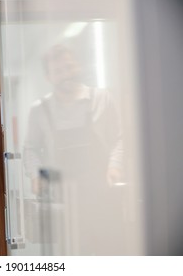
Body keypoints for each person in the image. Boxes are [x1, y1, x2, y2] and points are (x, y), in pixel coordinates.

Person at [23, 44, 125, 254]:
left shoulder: (101, 98)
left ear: (77, 66)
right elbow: (30, 148)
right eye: (58, 71)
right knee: (74, 252)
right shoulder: (40, 109)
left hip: (102, 193)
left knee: (111, 250)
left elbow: (120, 138)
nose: (65, 74)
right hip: (64, 199)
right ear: (49, 76)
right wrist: (36, 175)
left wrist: (115, 166)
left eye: (69, 67)